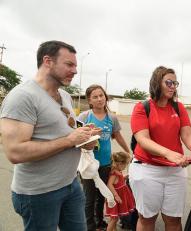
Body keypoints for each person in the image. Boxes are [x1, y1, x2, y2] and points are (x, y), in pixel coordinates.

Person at [0, 40, 97, 230]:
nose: (75, 70)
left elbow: (66, 132)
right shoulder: (23, 96)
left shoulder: (66, 96)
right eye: (69, 64)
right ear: (48, 61)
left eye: (75, 65)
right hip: (38, 194)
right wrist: (69, 140)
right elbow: (15, 152)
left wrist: (85, 139)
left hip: (71, 185)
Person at [129, 66, 191, 231]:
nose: (173, 86)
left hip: (175, 170)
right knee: (147, 219)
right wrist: (168, 153)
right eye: (168, 82)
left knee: (174, 219)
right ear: (157, 83)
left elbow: (187, 134)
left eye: (175, 83)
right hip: (147, 169)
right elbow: (142, 139)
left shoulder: (179, 108)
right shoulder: (142, 107)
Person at [78, 84, 130, 231]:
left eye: (101, 95)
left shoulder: (111, 118)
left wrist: (128, 151)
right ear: (90, 100)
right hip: (88, 165)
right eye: (95, 97)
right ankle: (89, 226)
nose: (100, 99)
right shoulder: (84, 116)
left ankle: (99, 222)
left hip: (106, 164)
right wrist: (92, 133)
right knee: (89, 197)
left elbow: (118, 136)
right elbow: (76, 138)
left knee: (102, 196)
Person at [104, 151, 136, 231]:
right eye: (126, 164)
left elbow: (119, 182)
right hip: (115, 198)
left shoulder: (118, 172)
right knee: (113, 219)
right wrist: (116, 196)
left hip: (119, 196)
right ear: (120, 164)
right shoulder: (114, 173)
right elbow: (109, 184)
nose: (126, 166)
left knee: (115, 217)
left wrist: (126, 177)